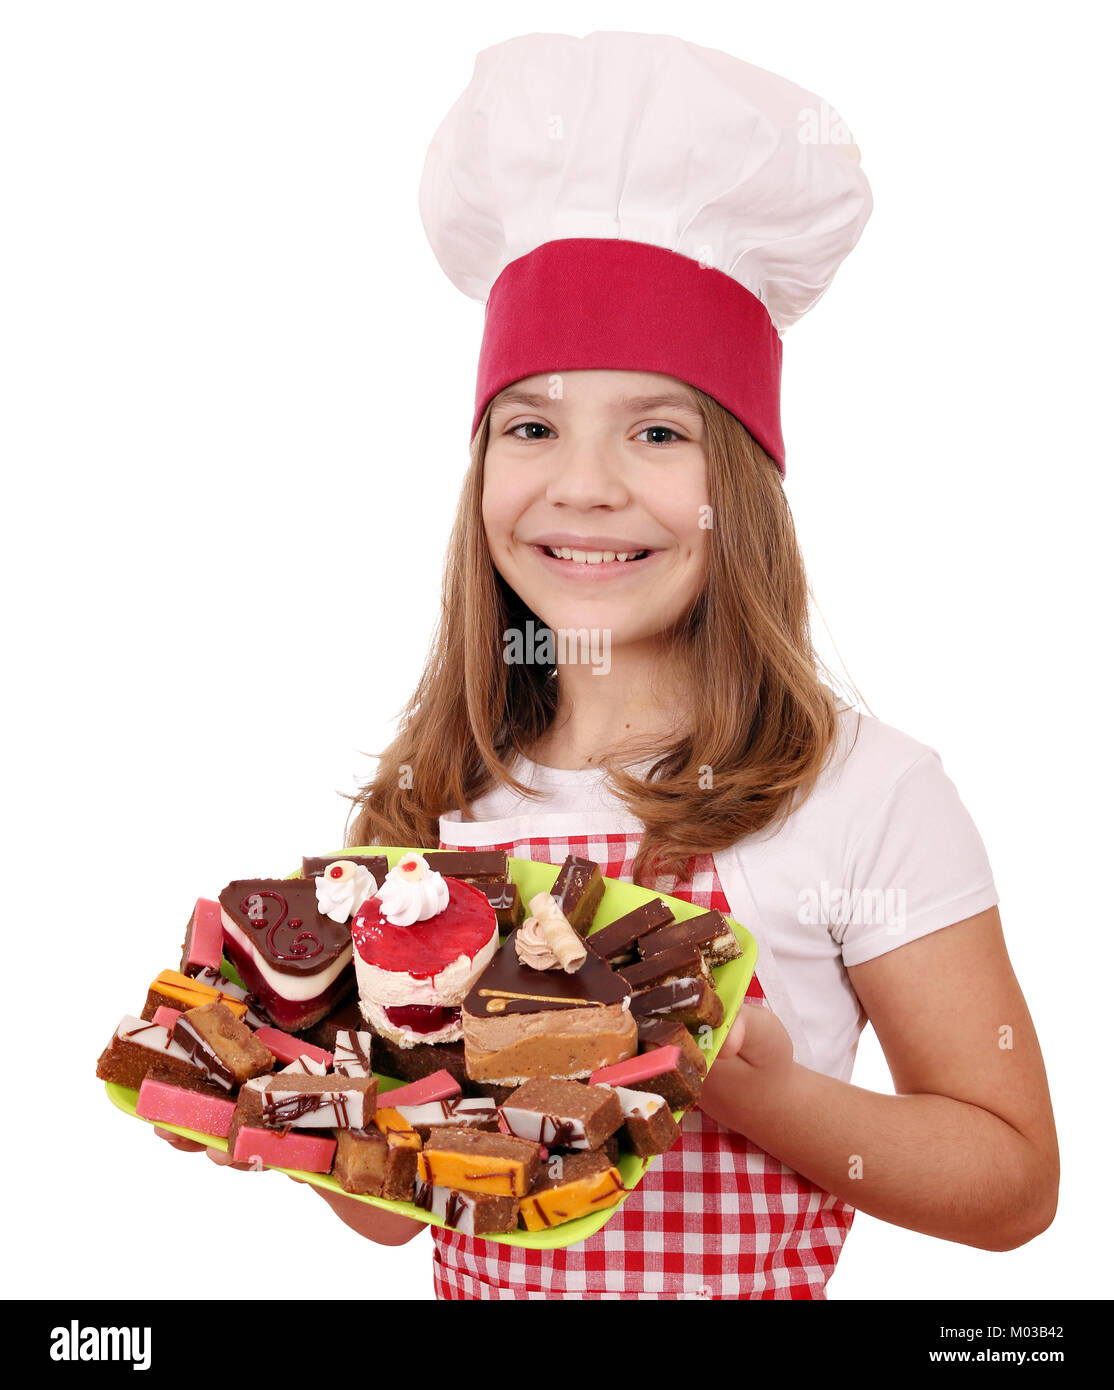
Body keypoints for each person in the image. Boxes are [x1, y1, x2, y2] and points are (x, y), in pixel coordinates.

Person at [159, 32, 1059, 1298]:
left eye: (654, 428)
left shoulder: (866, 794)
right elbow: (399, 1218)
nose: (582, 484)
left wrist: (766, 1094)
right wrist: (277, 1093)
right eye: (532, 424)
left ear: (735, 488)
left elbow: (1014, 1181)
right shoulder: (433, 806)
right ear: (484, 473)